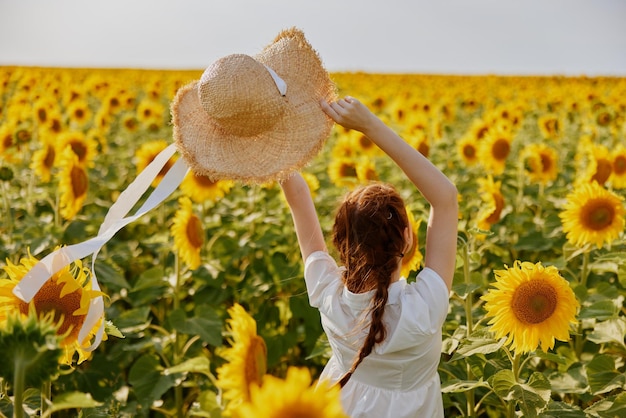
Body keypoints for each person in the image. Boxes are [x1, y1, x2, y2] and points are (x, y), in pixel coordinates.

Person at [280, 96, 459, 418]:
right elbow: (445, 198)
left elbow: (296, 194)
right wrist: (369, 126)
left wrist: (260, 141)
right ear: (407, 237)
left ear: (340, 242)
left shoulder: (328, 293)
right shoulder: (424, 309)